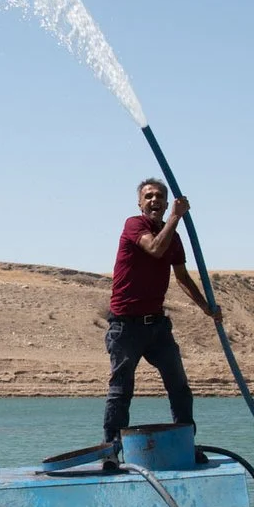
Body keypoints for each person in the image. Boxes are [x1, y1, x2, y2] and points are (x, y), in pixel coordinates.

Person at [103, 176, 221, 443]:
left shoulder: (174, 238)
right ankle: (110, 449)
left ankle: (185, 444)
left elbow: (181, 276)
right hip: (125, 326)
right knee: (121, 390)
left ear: (167, 202)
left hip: (156, 326)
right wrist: (176, 218)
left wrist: (207, 308)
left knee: (179, 387)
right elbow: (155, 249)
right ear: (140, 203)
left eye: (159, 196)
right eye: (149, 196)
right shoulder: (134, 225)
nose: (154, 200)